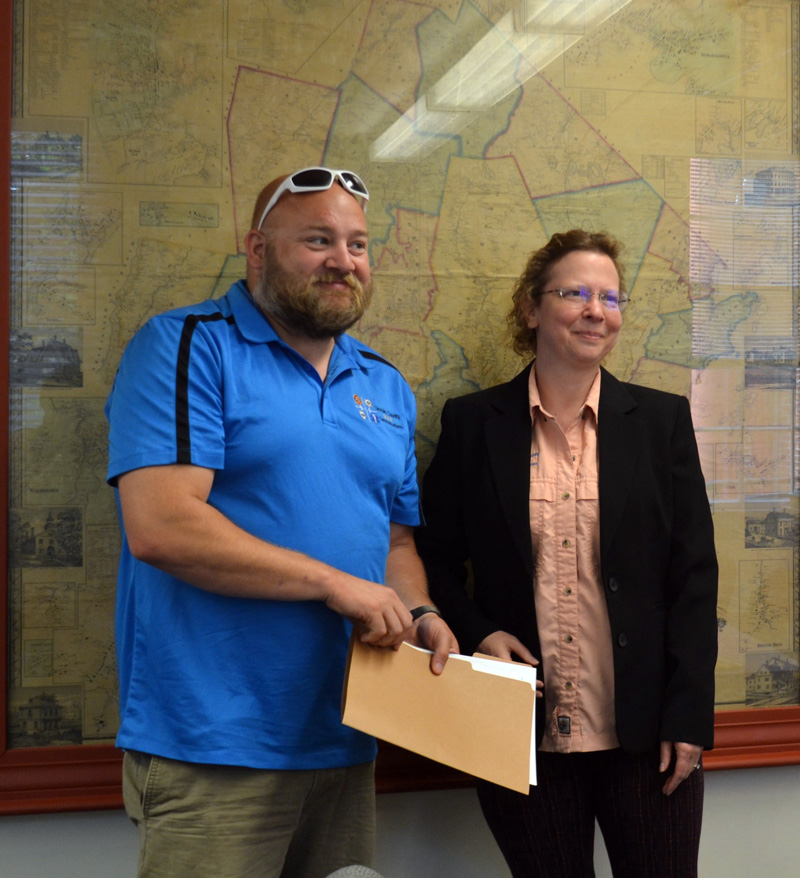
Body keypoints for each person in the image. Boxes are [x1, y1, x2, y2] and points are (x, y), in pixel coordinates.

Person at [106, 166, 458, 878]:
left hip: (347, 733)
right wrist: (333, 583)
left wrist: (417, 608)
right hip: (214, 743)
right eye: (318, 240)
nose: (343, 261)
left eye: (357, 245)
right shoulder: (186, 346)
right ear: (257, 248)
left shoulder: (385, 384)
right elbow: (162, 525)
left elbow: (393, 540)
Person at [415, 229, 718, 877]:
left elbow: (693, 580)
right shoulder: (474, 424)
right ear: (531, 309)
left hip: (647, 734)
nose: (596, 310)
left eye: (611, 297)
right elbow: (429, 556)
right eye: (574, 292)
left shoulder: (662, 422)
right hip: (519, 728)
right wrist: (479, 631)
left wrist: (690, 716)